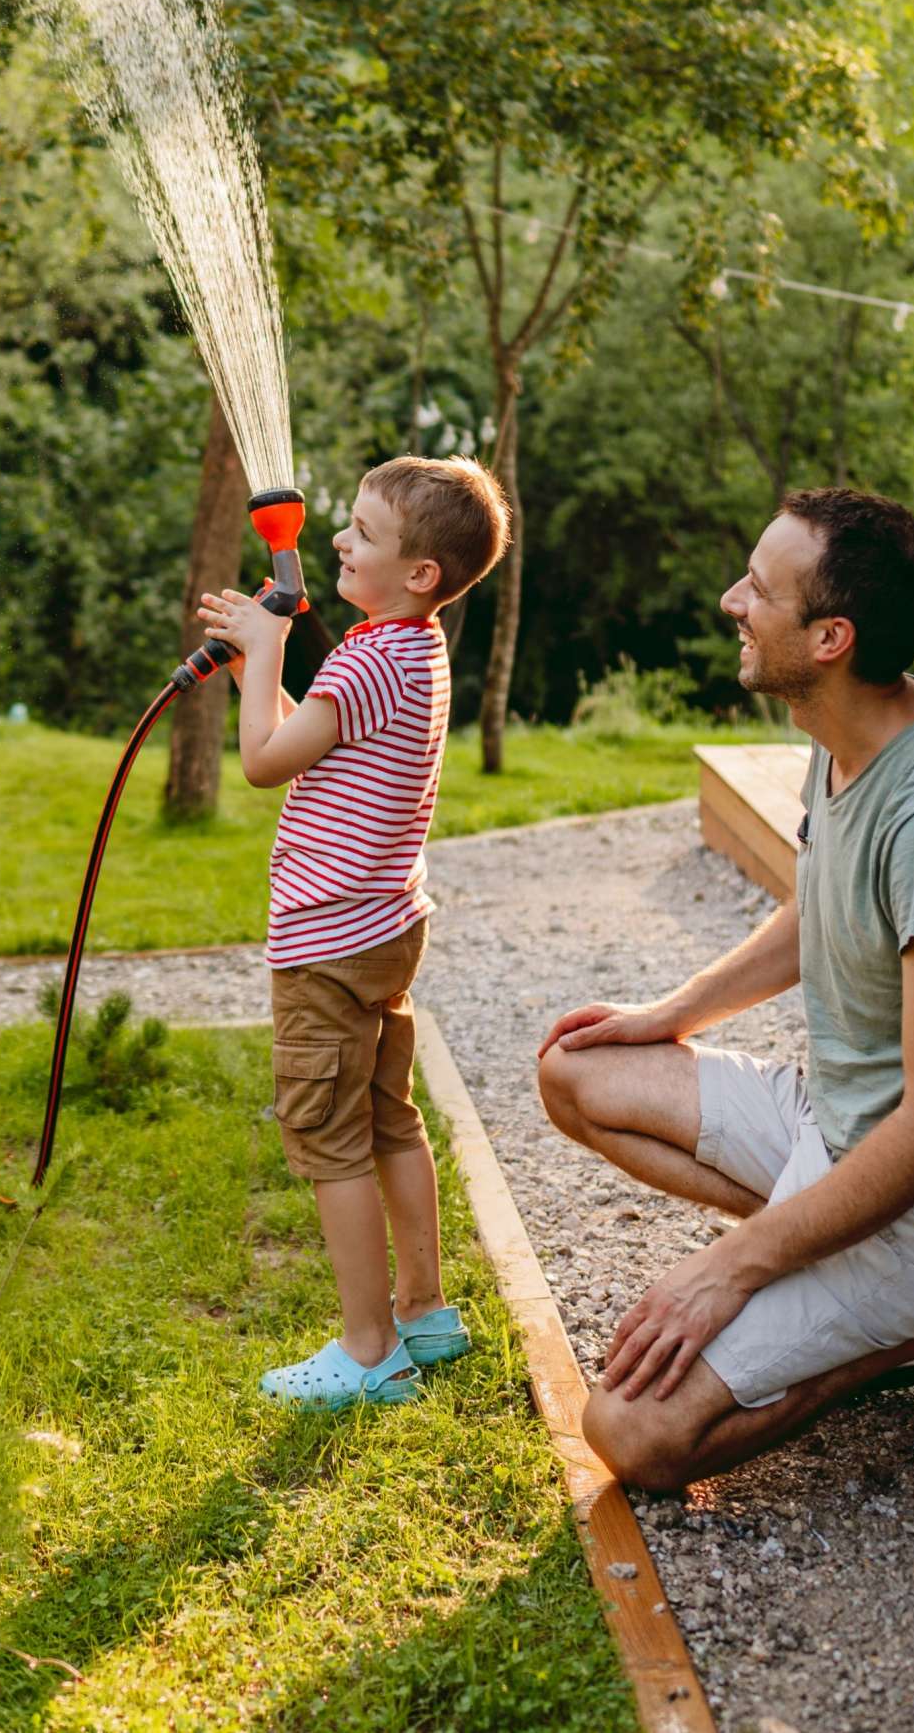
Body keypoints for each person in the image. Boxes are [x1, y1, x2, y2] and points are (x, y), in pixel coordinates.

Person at [536, 488, 914, 1494]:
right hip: (830, 1131)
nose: (732, 599)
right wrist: (670, 1015)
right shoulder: (847, 732)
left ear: (831, 636)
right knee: (577, 1069)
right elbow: (818, 905)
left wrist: (730, 1266)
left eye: (760, 589)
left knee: (633, 1434)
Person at [197, 455, 510, 1411]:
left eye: (364, 533)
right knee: (386, 1116)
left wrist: (269, 653)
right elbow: (310, 745)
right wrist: (263, 667)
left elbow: (259, 762)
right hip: (383, 930)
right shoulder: (414, 650)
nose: (339, 538)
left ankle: (369, 1350)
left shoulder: (367, 656)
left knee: (330, 1138)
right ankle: (423, 1309)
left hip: (326, 943)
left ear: (421, 574)